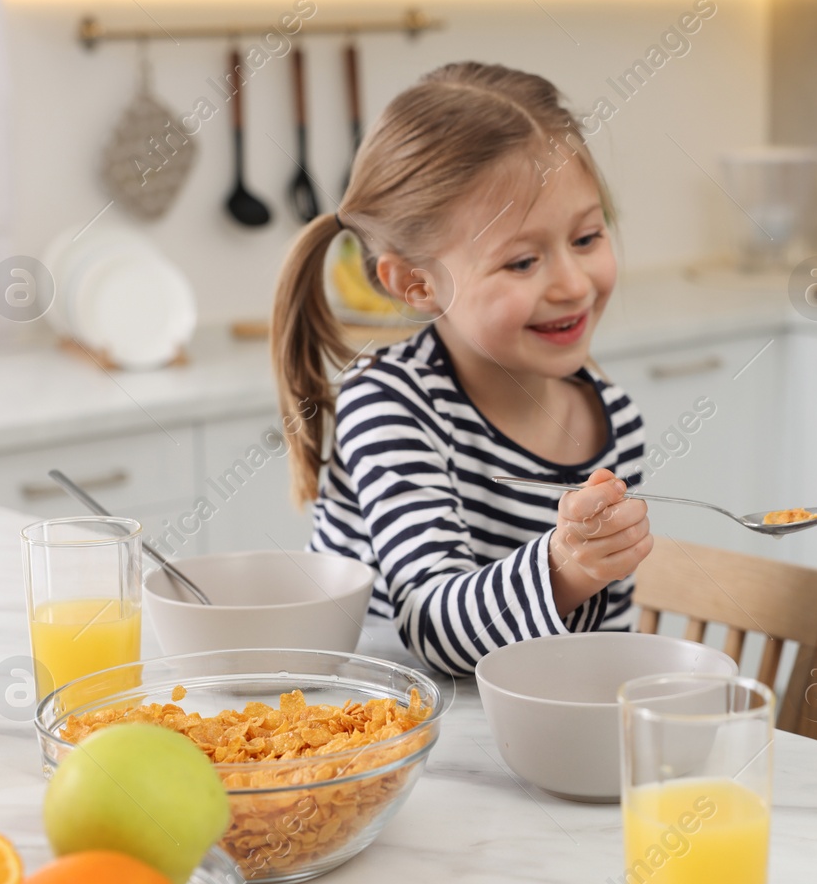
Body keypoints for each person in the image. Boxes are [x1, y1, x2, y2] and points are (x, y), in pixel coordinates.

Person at [271, 62, 652, 677]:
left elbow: (598, 652)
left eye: (586, 238)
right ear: (416, 283)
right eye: (523, 261)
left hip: (513, 742)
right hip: (376, 733)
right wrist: (566, 568)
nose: (574, 284)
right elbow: (432, 624)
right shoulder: (390, 405)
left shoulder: (616, 423)